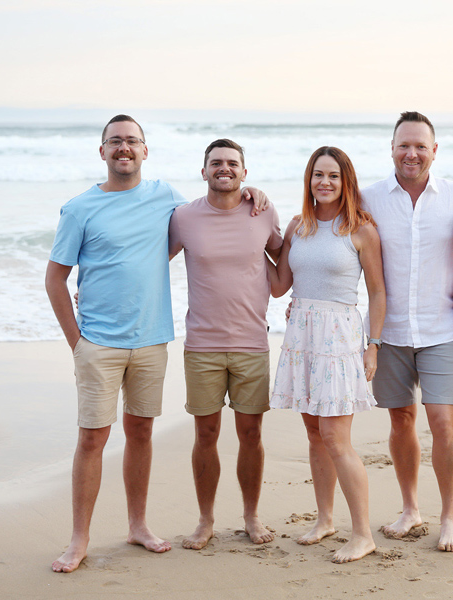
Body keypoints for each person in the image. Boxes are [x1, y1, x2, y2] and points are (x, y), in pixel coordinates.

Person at [46, 116, 267, 573]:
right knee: (92, 438)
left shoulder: (167, 199)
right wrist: (76, 343)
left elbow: (213, 210)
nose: (124, 148)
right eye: (115, 141)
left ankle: (138, 526)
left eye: (132, 141)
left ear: (145, 151)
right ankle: (78, 540)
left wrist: (252, 193)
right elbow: (55, 279)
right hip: (98, 343)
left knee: (141, 433)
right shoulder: (79, 208)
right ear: (102, 151)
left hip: (151, 340)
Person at [360, 111, 453, 552]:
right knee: (400, 420)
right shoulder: (369, 198)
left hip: (442, 331)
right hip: (388, 331)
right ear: (391, 148)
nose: (411, 154)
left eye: (420, 146)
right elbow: (330, 233)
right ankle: (410, 509)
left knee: (444, 422)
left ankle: (449, 518)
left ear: (434, 150)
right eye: (404, 145)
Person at [267, 146, 386, 564]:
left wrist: (373, 346)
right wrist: (248, 236)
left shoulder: (360, 230)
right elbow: (279, 286)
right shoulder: (298, 226)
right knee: (315, 434)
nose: (325, 182)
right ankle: (324, 520)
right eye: (318, 174)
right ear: (309, 179)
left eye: (334, 175)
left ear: (345, 181)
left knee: (336, 438)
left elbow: (378, 293)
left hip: (339, 337)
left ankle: (363, 534)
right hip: (302, 333)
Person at [168, 139, 282, 550]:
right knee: (206, 434)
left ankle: (251, 516)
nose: (225, 168)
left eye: (233, 163)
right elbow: (149, 263)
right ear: (203, 172)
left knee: (251, 433)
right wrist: (95, 288)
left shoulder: (262, 211)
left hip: (252, 342)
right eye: (216, 162)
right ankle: (205, 520)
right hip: (202, 345)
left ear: (244, 172)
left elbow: (285, 263)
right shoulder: (183, 217)